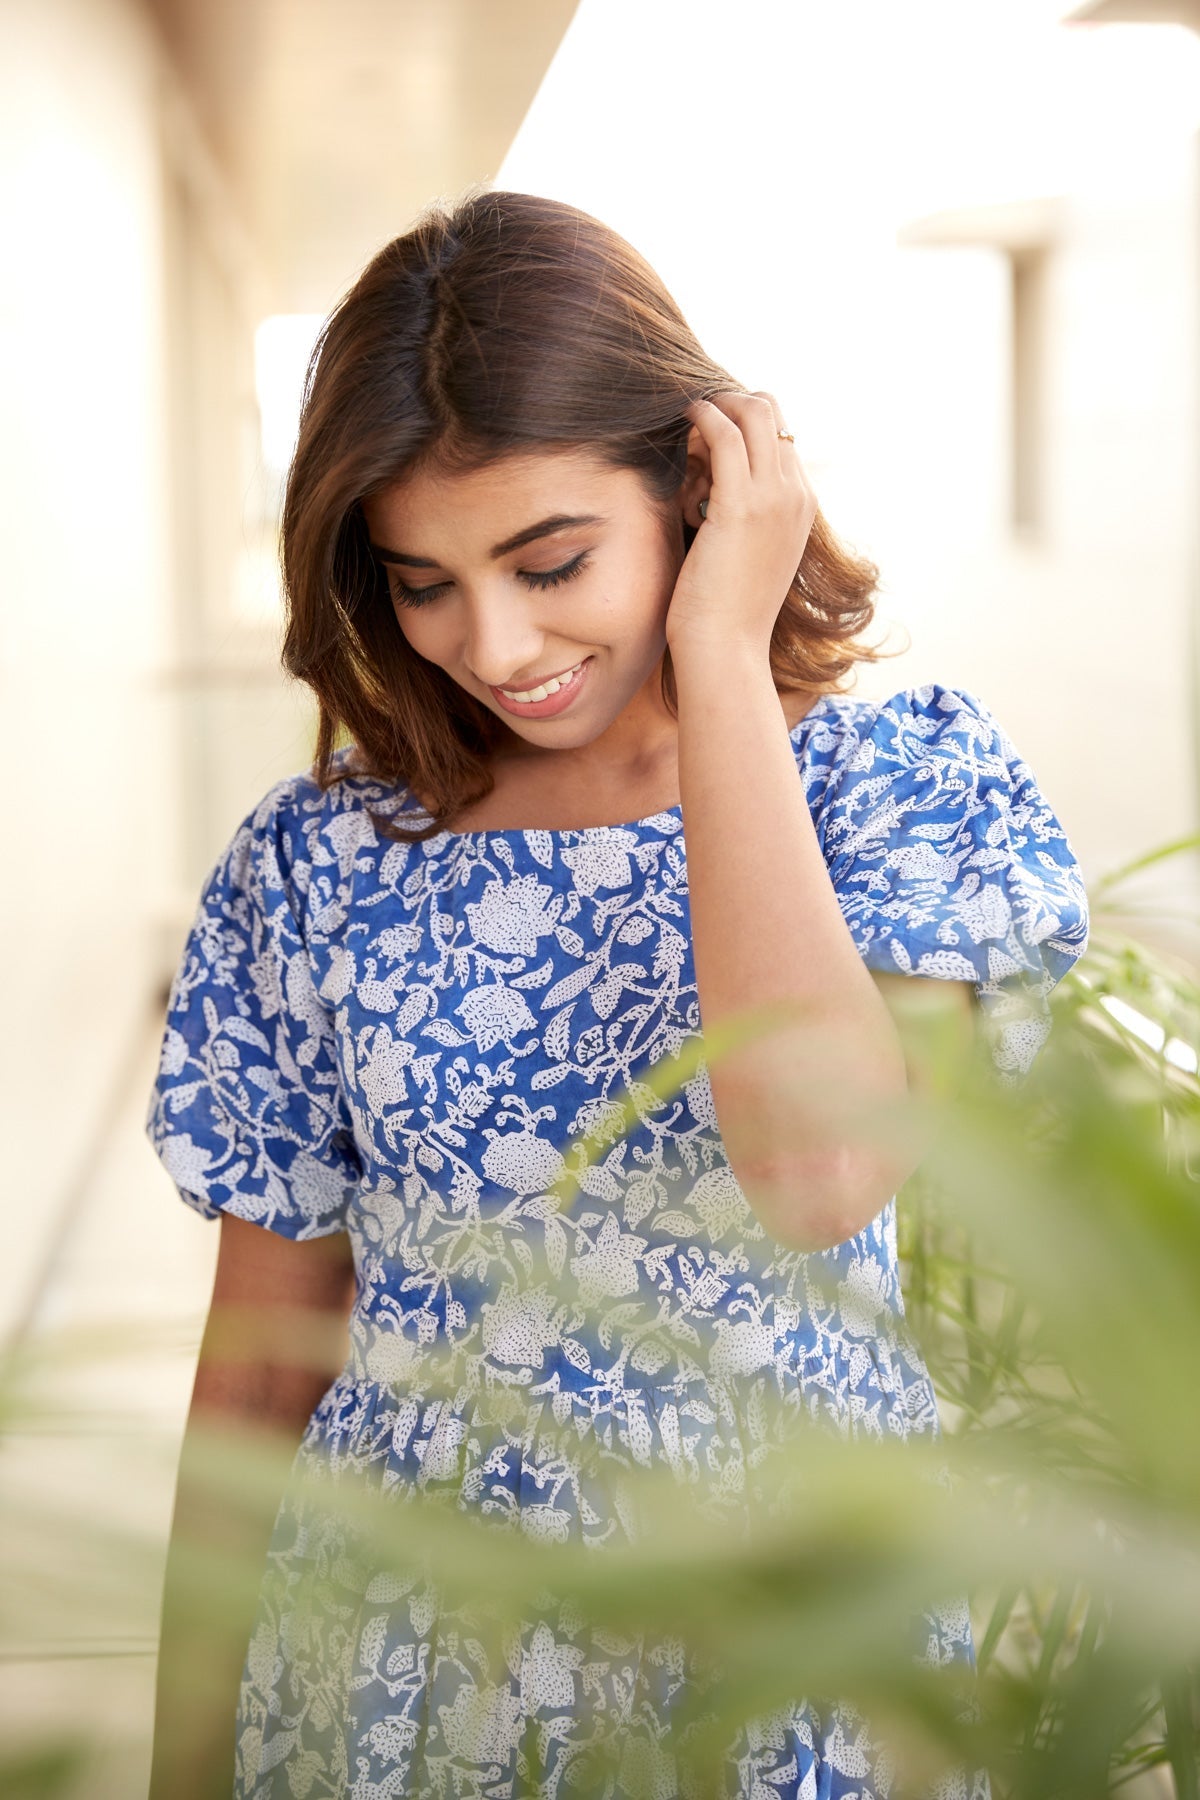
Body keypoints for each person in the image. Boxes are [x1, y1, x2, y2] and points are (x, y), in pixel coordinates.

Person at [146, 188, 1089, 1799]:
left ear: (694, 488)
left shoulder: (896, 788)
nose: (494, 641)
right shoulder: (318, 862)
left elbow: (821, 1173)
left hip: (791, 1652)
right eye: (423, 581)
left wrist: (724, 659)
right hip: (400, 1659)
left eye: (550, 558)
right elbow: (256, 1368)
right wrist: (177, 1771)